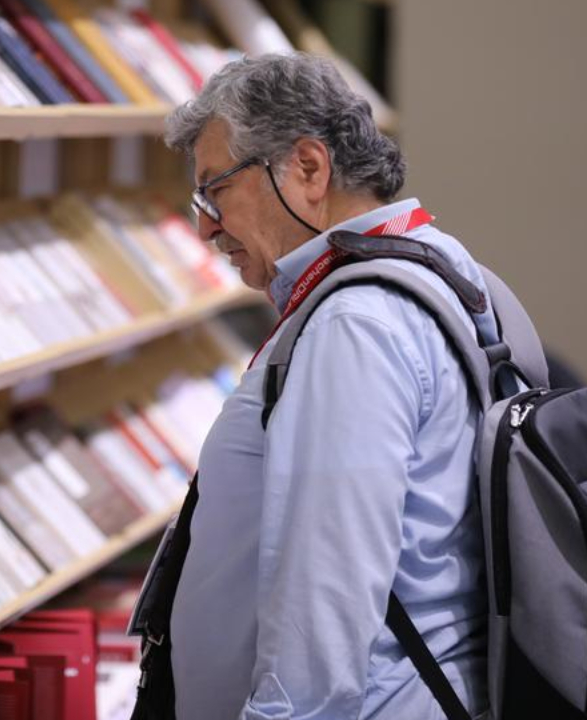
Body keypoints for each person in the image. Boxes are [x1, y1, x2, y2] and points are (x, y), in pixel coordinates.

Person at [160, 53, 494, 719]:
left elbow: (325, 602)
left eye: (215, 190)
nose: (204, 226)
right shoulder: (438, 263)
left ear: (308, 169)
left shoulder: (353, 323)